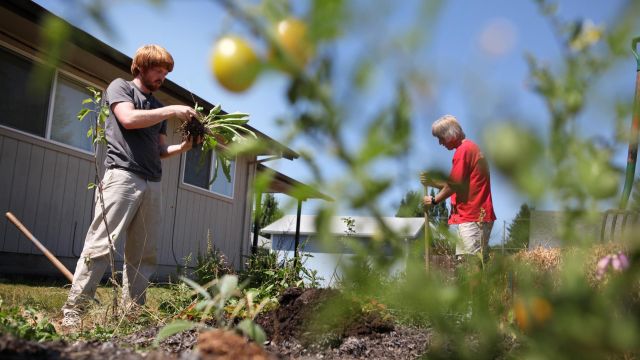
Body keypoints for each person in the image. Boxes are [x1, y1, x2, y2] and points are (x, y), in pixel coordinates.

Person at [62, 44, 199, 329]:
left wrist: (184, 146)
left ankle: (132, 314)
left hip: (153, 181)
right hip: (122, 177)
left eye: (165, 72)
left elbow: (161, 151)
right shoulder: (121, 87)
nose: (162, 77)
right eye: (157, 70)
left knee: (143, 253)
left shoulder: (158, 108)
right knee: (101, 245)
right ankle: (74, 312)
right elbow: (128, 119)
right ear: (141, 67)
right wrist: (172, 110)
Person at [421, 114, 496, 265]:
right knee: (468, 262)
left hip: (473, 217)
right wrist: (432, 182)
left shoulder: (463, 151)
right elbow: (457, 184)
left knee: (470, 263)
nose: (440, 143)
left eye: (441, 138)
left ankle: (474, 290)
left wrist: (434, 200)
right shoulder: (470, 148)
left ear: (450, 134)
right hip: (474, 216)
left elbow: (454, 184)